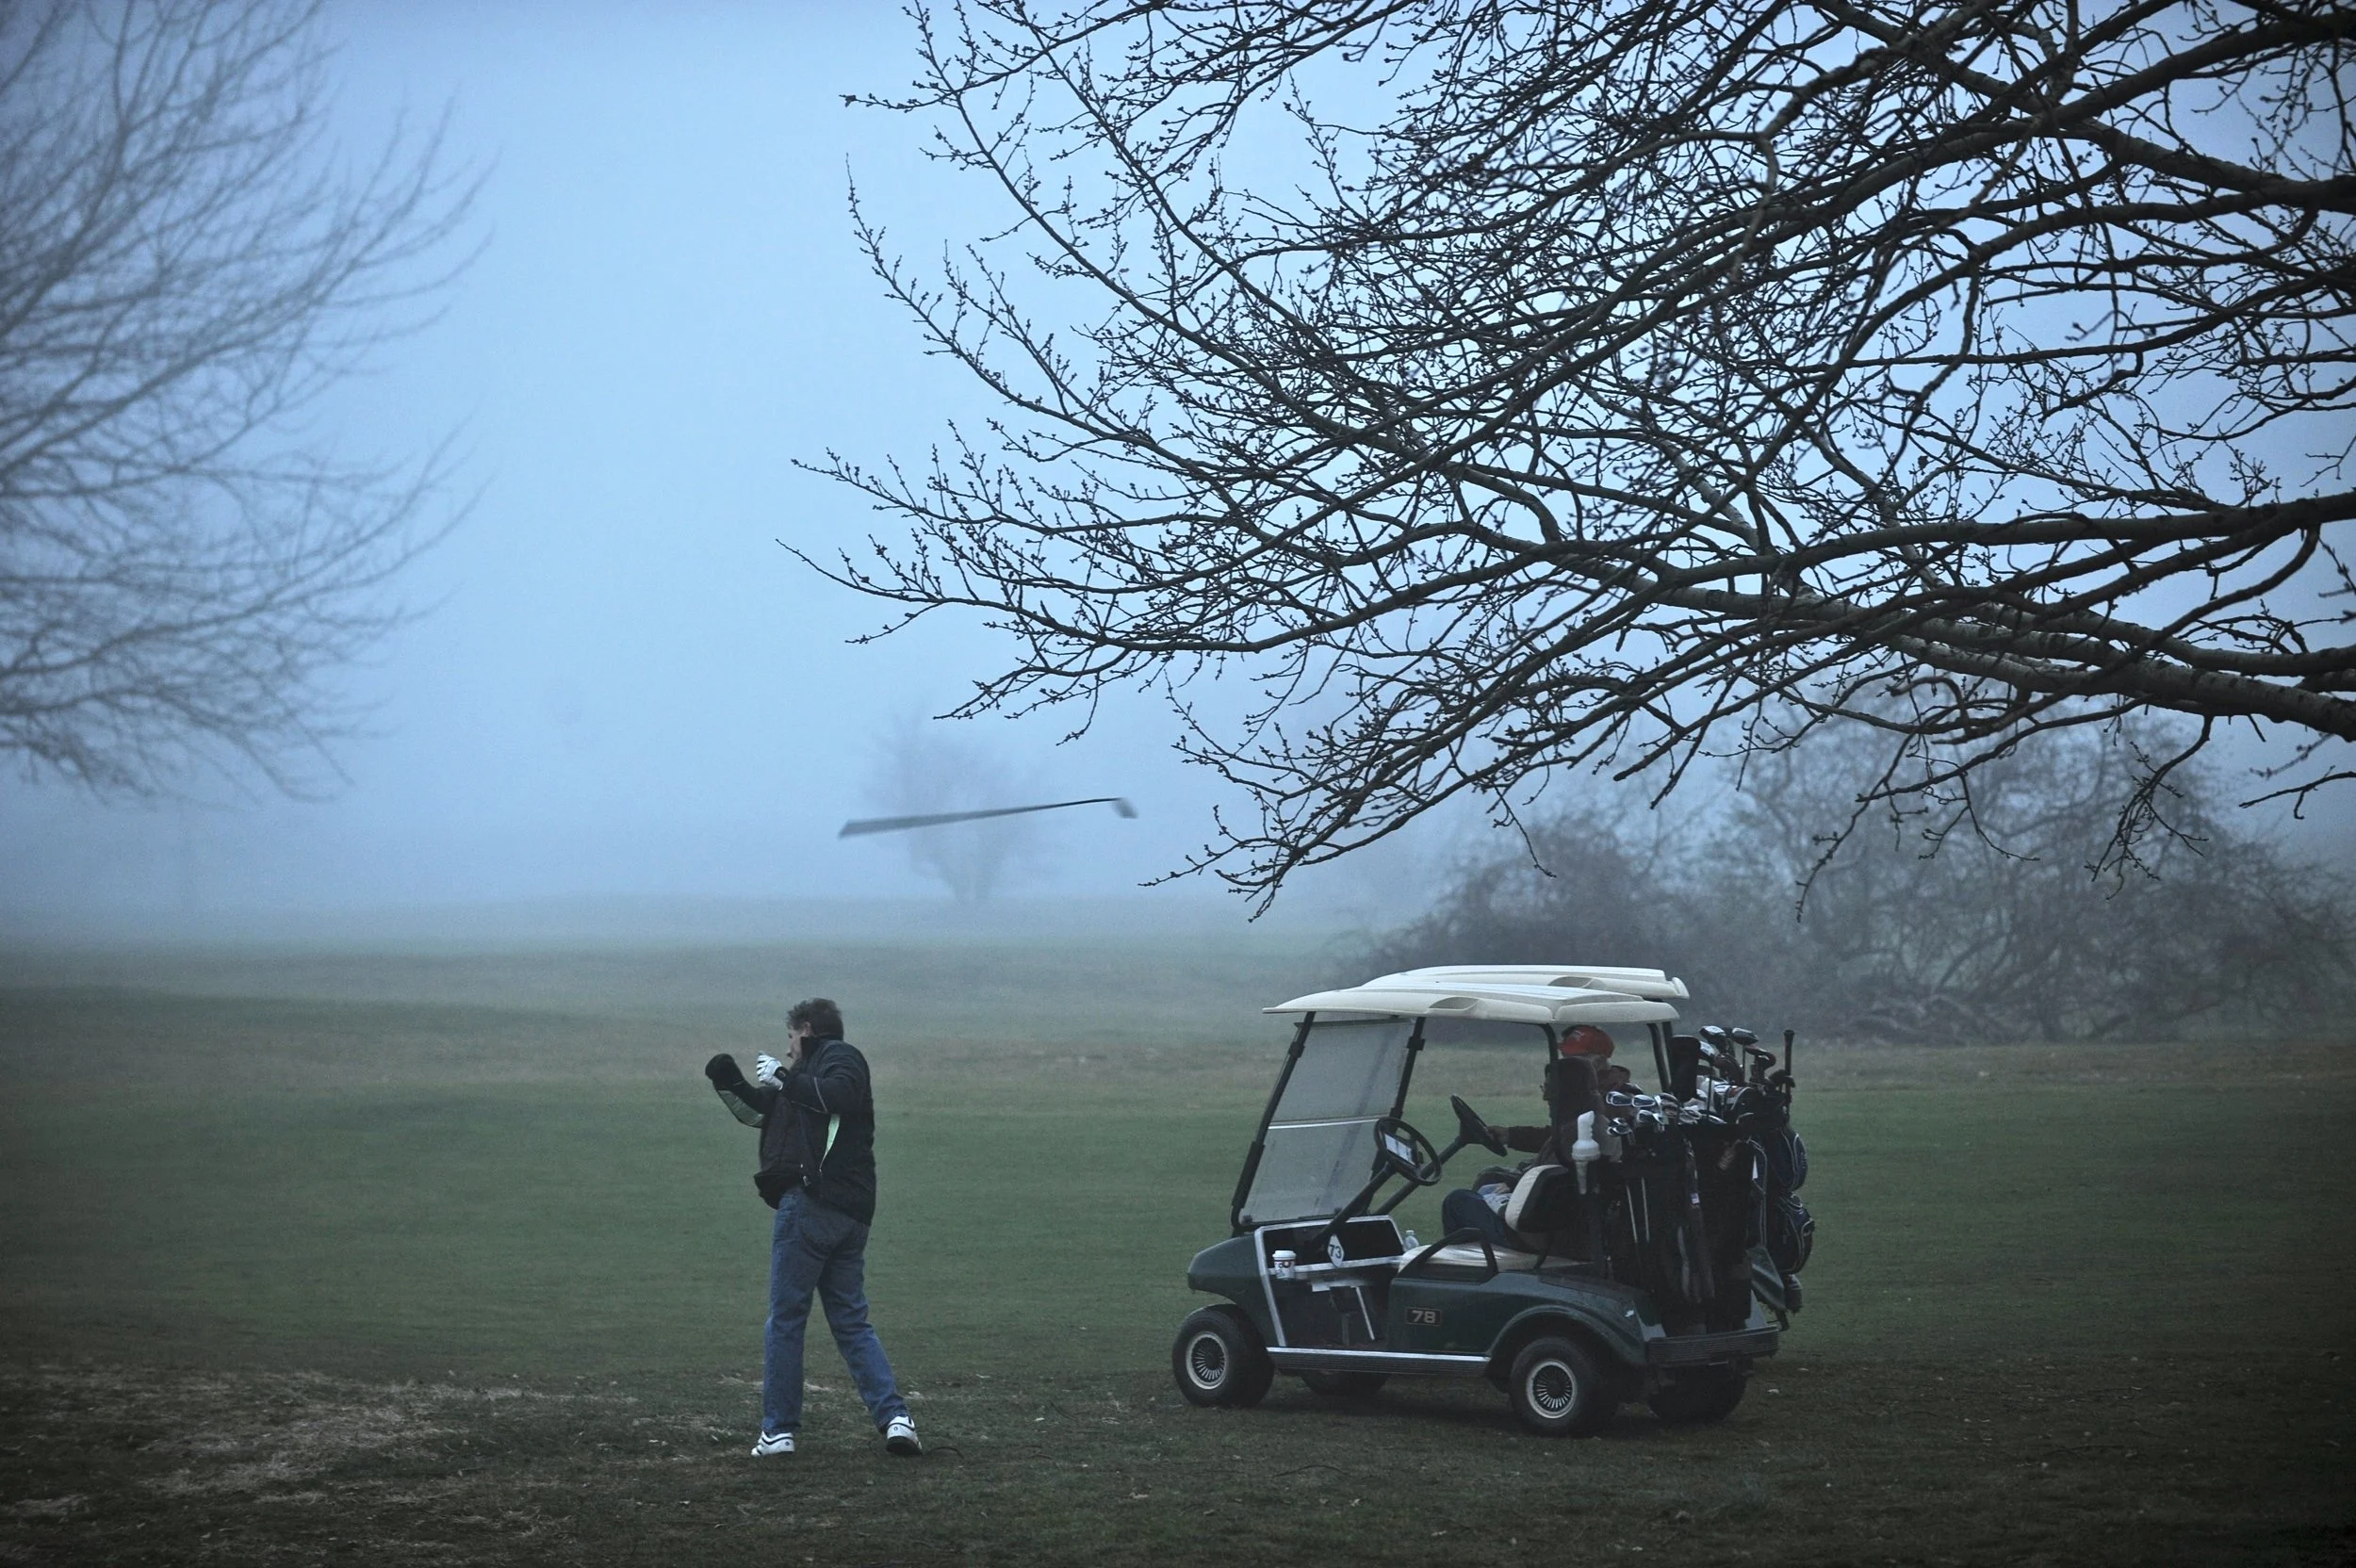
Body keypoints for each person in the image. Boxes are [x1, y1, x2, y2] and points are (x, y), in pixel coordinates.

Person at [704, 997, 920, 1459]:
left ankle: (778, 1431)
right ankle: (896, 1420)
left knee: (786, 1320)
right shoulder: (807, 1081)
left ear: (805, 1030)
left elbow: (835, 1096)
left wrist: (785, 1077)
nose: (787, 1052)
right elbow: (765, 1112)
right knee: (851, 1323)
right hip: (848, 1216)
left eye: (789, 1040)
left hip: (811, 1207)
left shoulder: (839, 1057)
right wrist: (730, 1082)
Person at [1437, 1025, 1633, 1251]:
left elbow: (1559, 1172)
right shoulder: (1590, 1116)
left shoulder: (1612, 1108)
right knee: (1490, 1178)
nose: (1546, 1097)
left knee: (1457, 1201)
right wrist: (1512, 1137)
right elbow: (1559, 1143)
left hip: (1548, 1231)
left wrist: (1509, 1195)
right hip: (1569, 1221)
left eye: (1574, 1060)